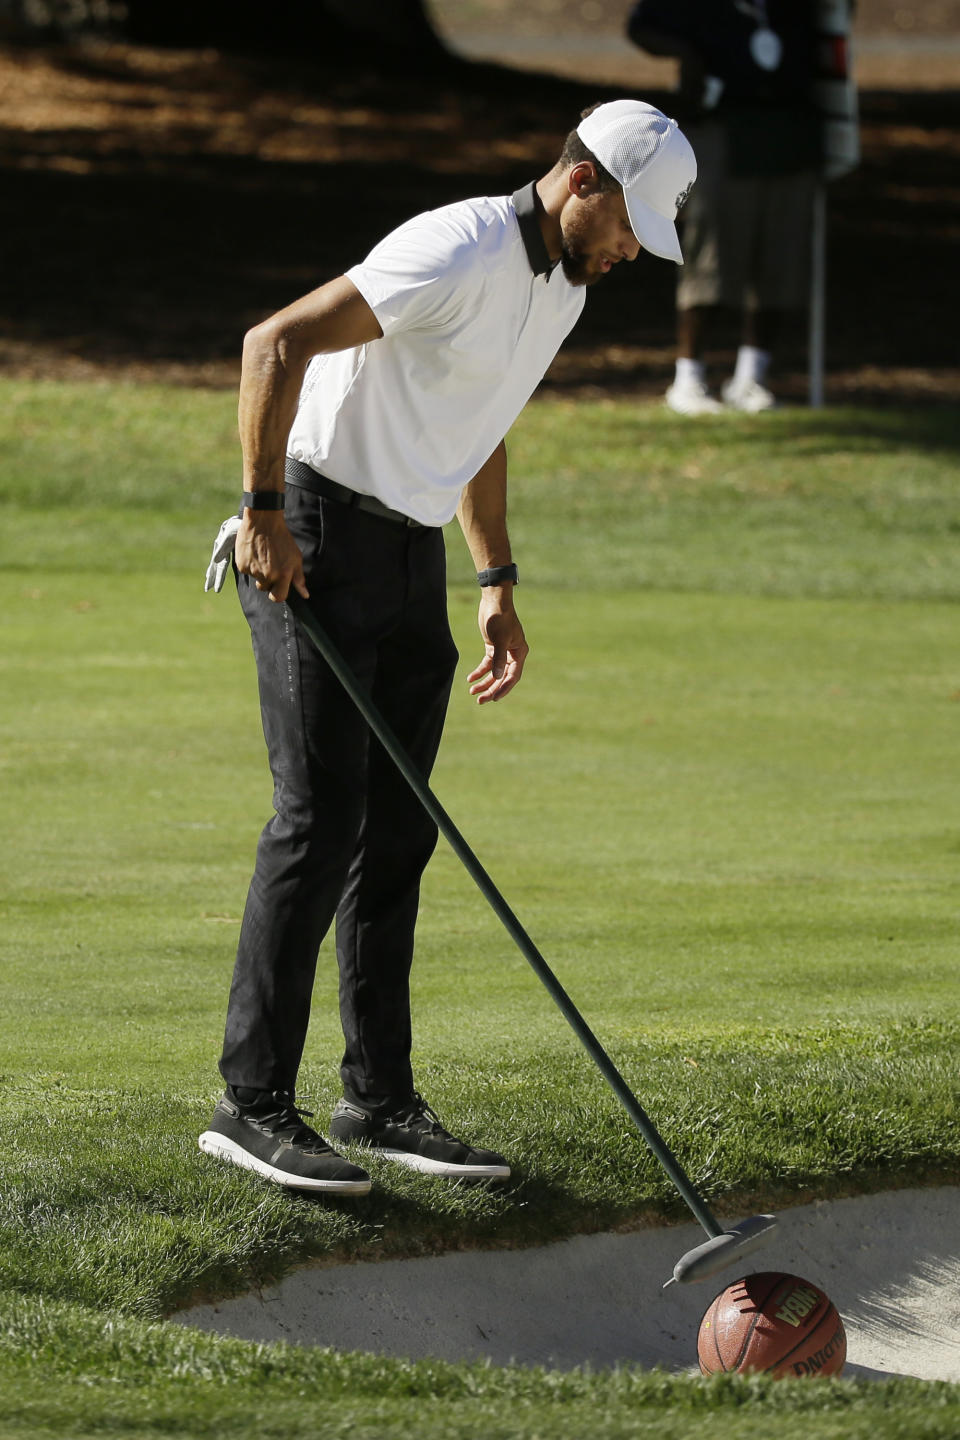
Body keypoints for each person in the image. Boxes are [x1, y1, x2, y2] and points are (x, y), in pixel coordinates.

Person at [200, 99, 697, 1196]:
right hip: (317, 535)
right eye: (628, 230)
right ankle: (250, 1105)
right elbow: (271, 342)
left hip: (410, 550)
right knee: (318, 817)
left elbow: (483, 423)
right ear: (584, 184)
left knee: (396, 829)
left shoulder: (559, 291)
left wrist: (497, 581)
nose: (629, 255)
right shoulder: (459, 246)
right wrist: (264, 512)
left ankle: (376, 1099)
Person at [627, 0, 822, 414]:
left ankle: (751, 378)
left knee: (780, 254)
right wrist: (689, 54)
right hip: (722, 128)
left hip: (790, 129)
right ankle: (689, 379)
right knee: (711, 254)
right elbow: (642, 24)